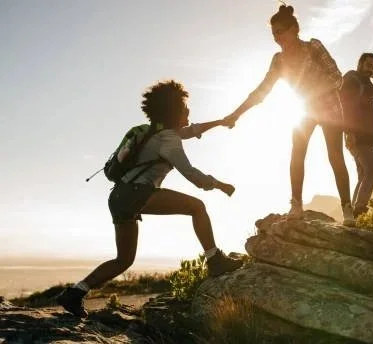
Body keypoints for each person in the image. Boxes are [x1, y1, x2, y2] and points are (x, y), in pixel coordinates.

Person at [57, 80, 243, 317]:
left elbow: (190, 131)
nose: (189, 113)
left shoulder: (155, 132)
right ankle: (214, 259)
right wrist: (219, 184)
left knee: (123, 260)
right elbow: (192, 174)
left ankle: (75, 293)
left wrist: (219, 122)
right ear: (174, 112)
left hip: (119, 197)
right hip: (137, 194)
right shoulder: (169, 141)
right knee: (197, 207)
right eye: (185, 109)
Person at [224, 5, 355, 226]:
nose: (277, 37)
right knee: (297, 153)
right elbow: (262, 90)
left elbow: (337, 77)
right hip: (303, 110)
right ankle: (296, 204)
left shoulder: (313, 47)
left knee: (335, 155)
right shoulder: (279, 60)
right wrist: (237, 113)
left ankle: (347, 208)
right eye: (274, 33)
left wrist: (315, 92)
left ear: (294, 29)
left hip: (329, 107)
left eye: (281, 31)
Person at [341, 53, 373, 218]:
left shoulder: (367, 84)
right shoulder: (352, 78)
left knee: (363, 175)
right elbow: (345, 106)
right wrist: (349, 132)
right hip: (357, 134)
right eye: (369, 65)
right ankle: (359, 209)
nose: (371, 69)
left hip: (366, 135)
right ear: (360, 63)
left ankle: (353, 215)